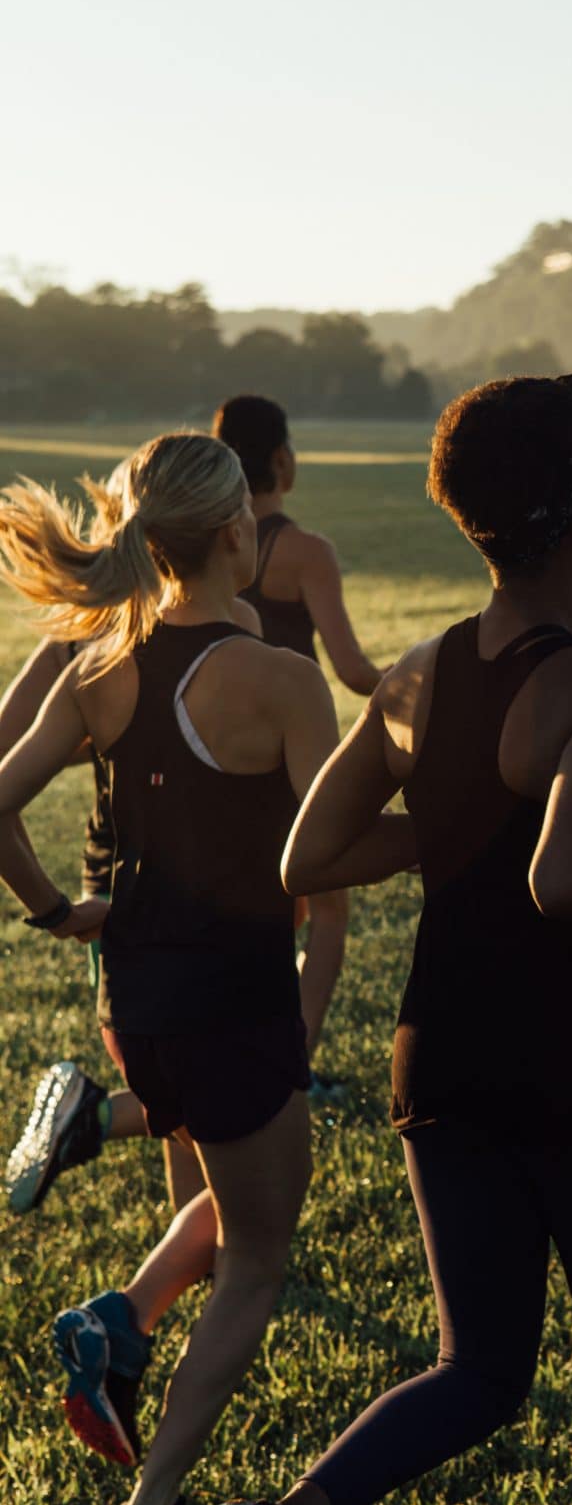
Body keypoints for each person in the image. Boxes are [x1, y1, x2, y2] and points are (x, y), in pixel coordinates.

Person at [181, 376, 572, 1505]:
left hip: (445, 1058)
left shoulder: (418, 679)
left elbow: (305, 857)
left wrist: (444, 822)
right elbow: (567, 877)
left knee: (479, 1368)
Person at [0, 433, 340, 1505]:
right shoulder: (286, 680)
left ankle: (117, 1321)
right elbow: (325, 870)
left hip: (135, 1008)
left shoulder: (101, 670)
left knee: (240, 1185)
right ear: (237, 530)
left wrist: (56, 913)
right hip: (236, 999)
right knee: (257, 1259)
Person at [1, 472, 264, 1217]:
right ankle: (95, 1121)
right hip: (194, 901)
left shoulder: (91, 636)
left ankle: (173, 1288)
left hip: (110, 891)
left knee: (181, 1107)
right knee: (208, 1109)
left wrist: (53, 911)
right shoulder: (232, 625)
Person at [213, 393, 382, 1058]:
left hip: (221, 747)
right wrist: (413, 678)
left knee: (255, 908)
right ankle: (293, 1062)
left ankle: (248, 1044)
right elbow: (351, 669)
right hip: (298, 754)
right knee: (327, 912)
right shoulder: (306, 551)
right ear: (283, 460)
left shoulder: (208, 544)